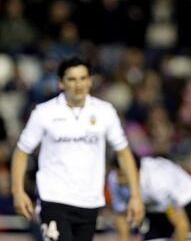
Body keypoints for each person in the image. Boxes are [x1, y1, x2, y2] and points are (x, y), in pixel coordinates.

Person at [11, 56, 145, 241]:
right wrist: (18, 192)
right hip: (53, 198)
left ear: (90, 81)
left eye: (83, 78)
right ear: (60, 83)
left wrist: (136, 195)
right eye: (72, 79)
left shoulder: (105, 112)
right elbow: (21, 152)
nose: (78, 84)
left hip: (90, 200)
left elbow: (123, 153)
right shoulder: (44, 113)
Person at [108, 155, 191, 241]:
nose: (118, 180)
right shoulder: (114, 179)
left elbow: (182, 225)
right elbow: (121, 216)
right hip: (152, 205)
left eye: (121, 175)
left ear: (135, 172)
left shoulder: (158, 182)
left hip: (183, 199)